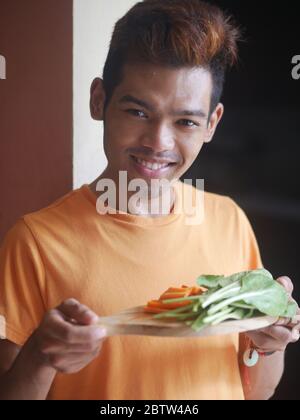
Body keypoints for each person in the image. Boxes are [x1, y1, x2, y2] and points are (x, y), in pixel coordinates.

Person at [0, 0, 299, 400]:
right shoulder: (35, 241)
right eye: (138, 112)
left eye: (186, 121)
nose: (159, 142)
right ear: (98, 100)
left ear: (211, 124)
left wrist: (268, 343)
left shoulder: (230, 221)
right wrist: (39, 355)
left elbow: (257, 392)